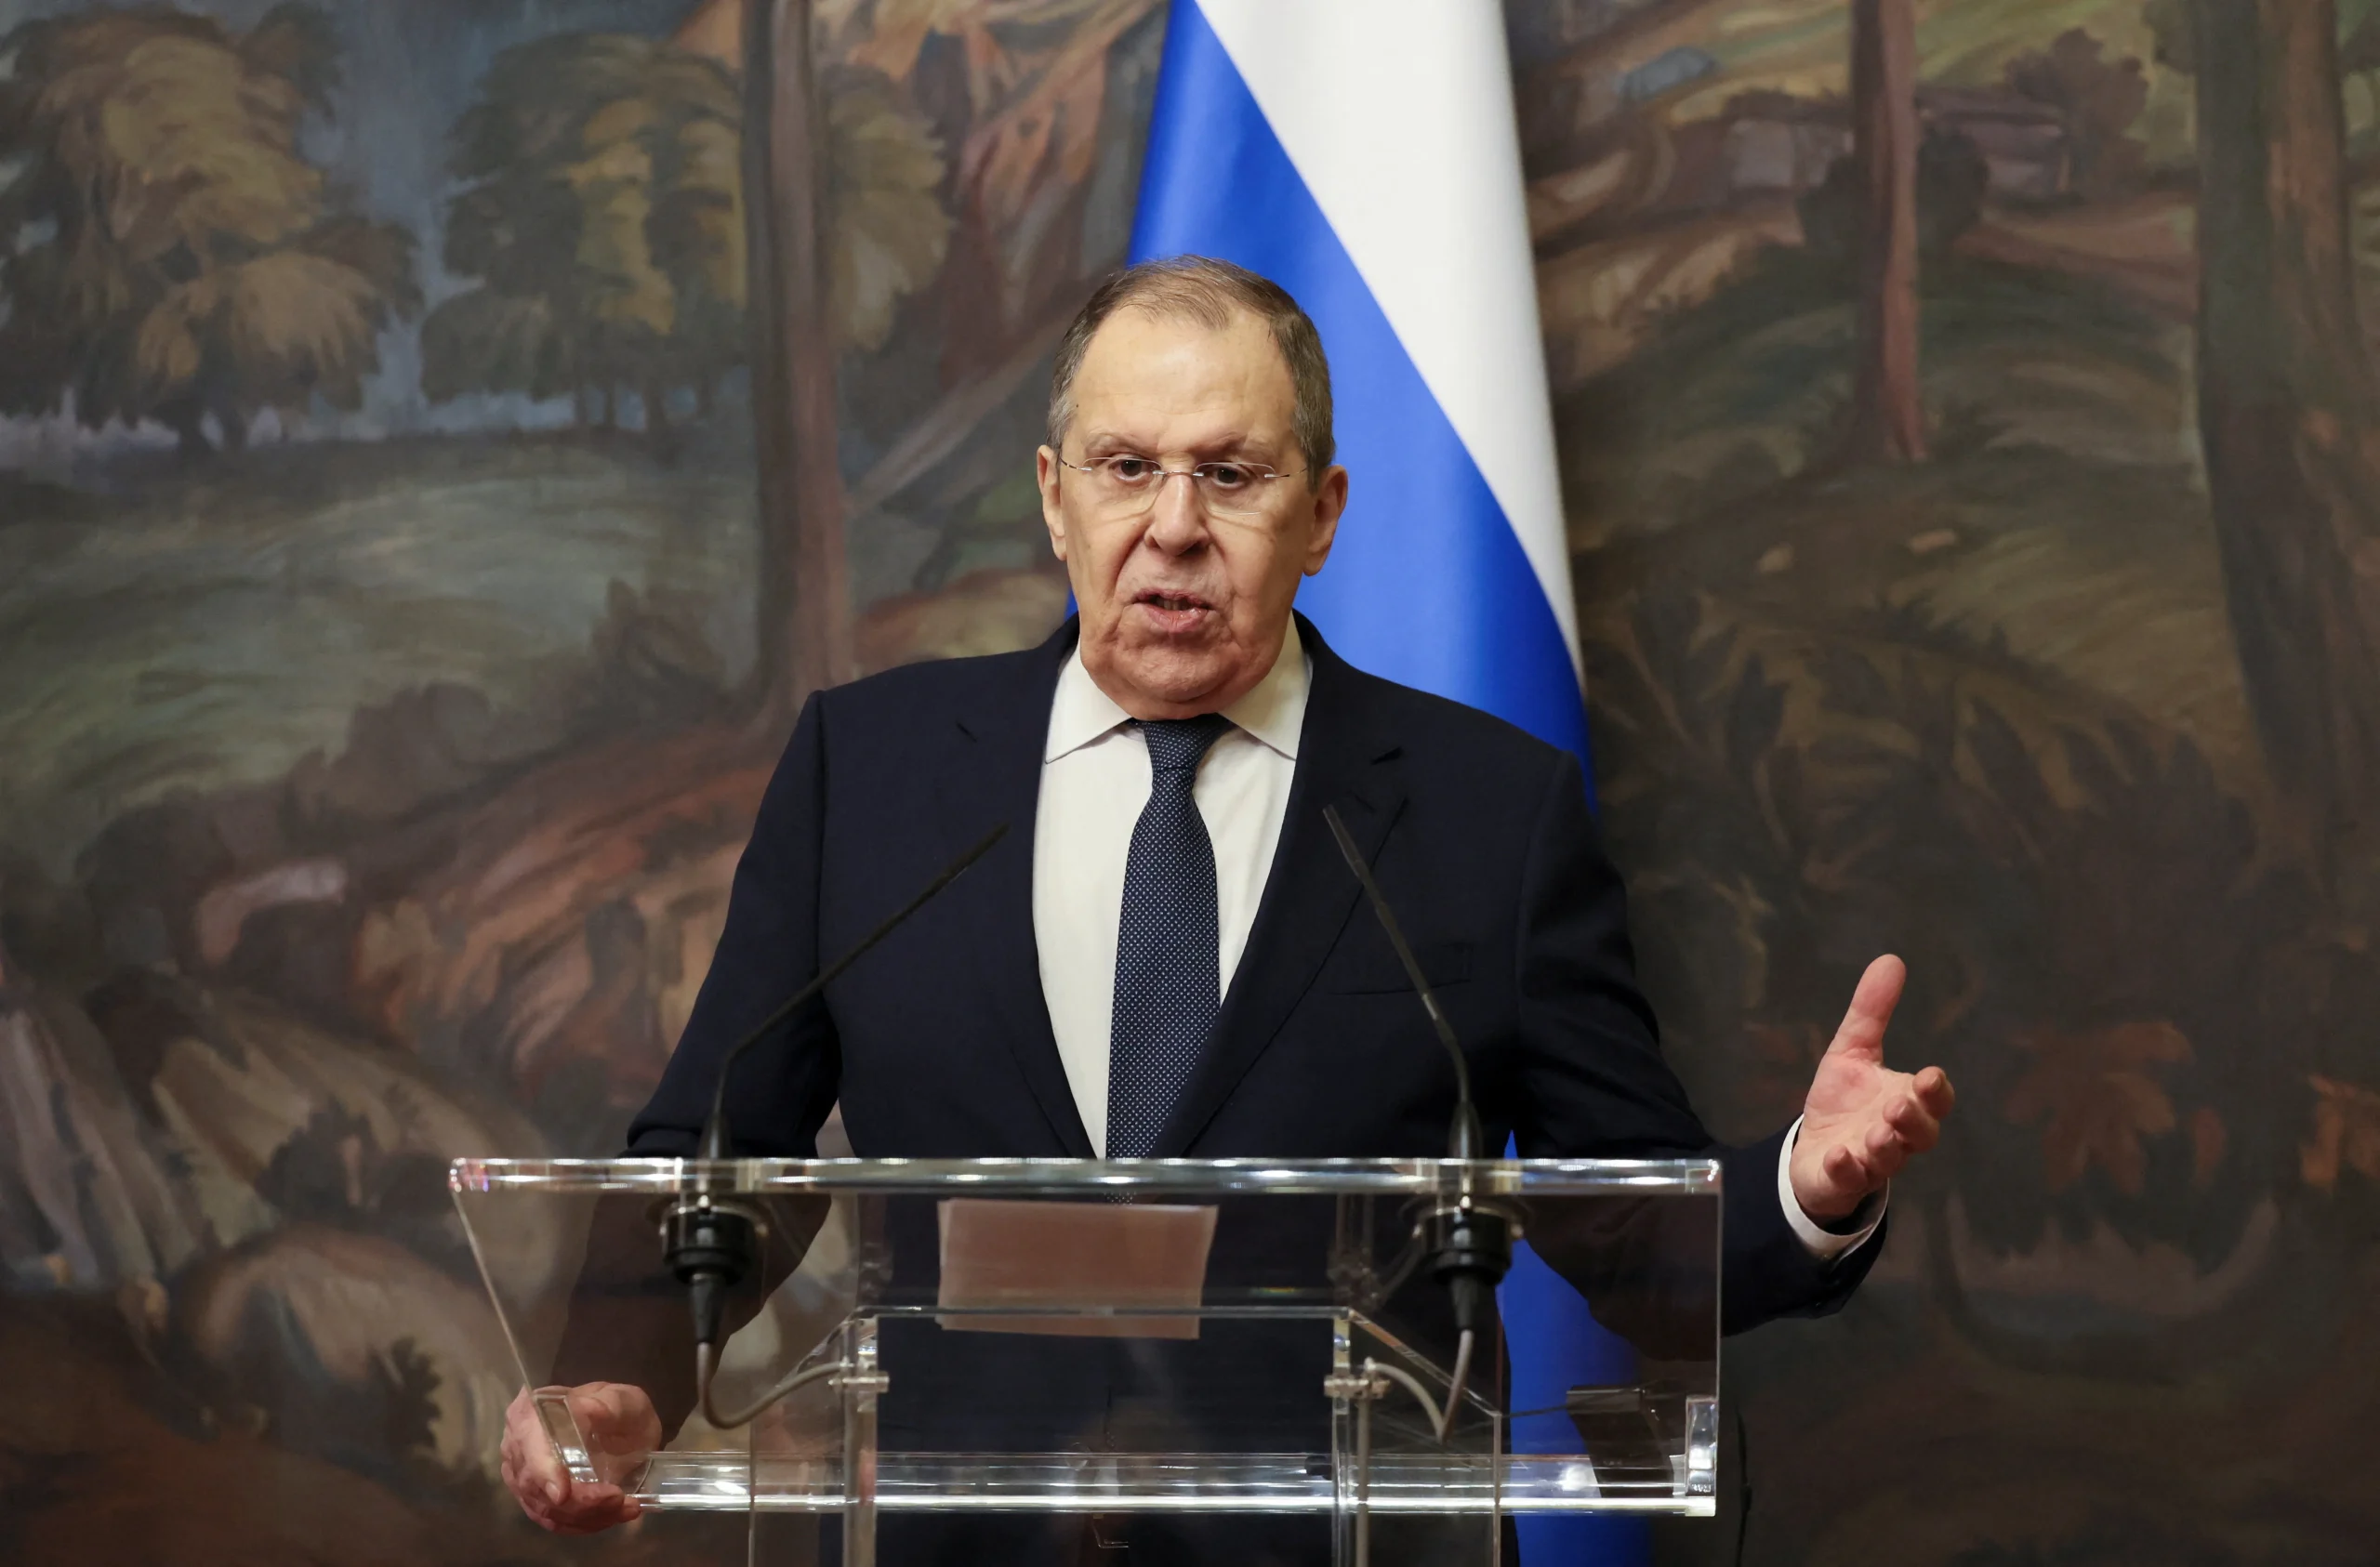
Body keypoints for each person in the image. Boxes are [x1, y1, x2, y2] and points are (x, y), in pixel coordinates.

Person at [497, 257, 1956, 1554]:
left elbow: (1632, 1233)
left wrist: (1807, 1187)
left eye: (1232, 473)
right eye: (1127, 467)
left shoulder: (1484, 814)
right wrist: (616, 1379)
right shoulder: (868, 774)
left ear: (1322, 515)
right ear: (1054, 496)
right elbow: (714, 1157)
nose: (1174, 525)